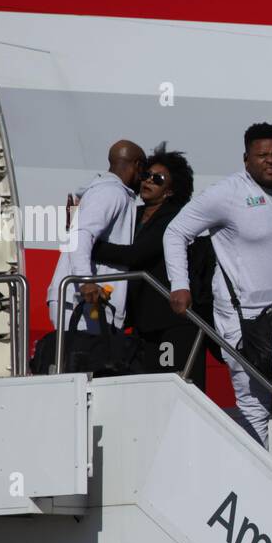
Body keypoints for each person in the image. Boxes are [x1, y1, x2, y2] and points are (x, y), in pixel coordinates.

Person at [161, 122, 272, 475]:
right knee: (254, 405)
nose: (270, 161)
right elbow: (176, 232)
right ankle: (261, 483)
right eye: (262, 156)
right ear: (246, 159)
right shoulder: (227, 194)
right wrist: (179, 284)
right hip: (243, 319)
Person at [90, 143, 216, 389]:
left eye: (157, 179)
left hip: (172, 323)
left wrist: (93, 246)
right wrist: (78, 224)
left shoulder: (174, 218)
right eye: (146, 175)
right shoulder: (133, 214)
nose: (147, 181)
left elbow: (136, 255)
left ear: (170, 191)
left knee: (175, 389)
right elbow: (98, 227)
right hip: (141, 324)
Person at [47, 139, 146, 332]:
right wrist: (86, 281)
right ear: (137, 165)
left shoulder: (104, 190)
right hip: (83, 302)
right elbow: (82, 234)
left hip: (85, 301)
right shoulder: (112, 193)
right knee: (86, 358)